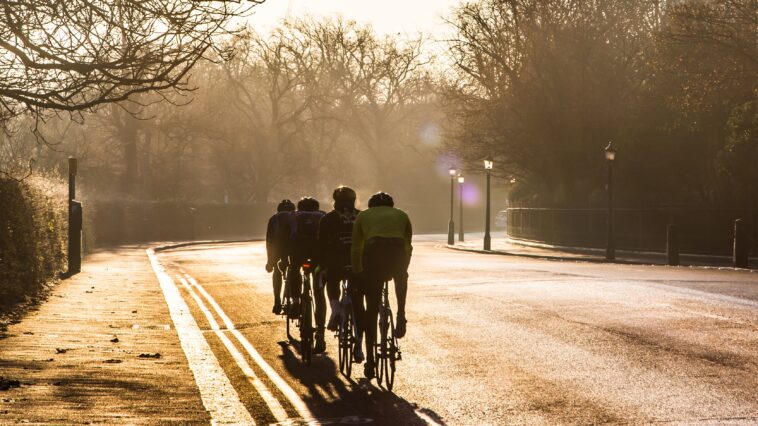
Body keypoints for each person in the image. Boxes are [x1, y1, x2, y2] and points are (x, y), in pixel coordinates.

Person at [351, 192, 412, 379]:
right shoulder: (402, 215)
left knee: (371, 311)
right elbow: (408, 246)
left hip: (374, 253)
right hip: (397, 253)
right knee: (401, 279)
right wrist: (402, 270)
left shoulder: (363, 216)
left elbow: (356, 247)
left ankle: (370, 361)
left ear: (371, 205)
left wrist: (358, 271)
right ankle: (401, 313)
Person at [317, 186, 365, 361]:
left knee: (332, 280)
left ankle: (336, 309)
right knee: (359, 305)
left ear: (335, 201)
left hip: (335, 261)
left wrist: (322, 266)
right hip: (356, 262)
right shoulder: (361, 216)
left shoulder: (328, 218)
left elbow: (321, 244)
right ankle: (359, 347)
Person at [283, 197, 326, 346]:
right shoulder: (323, 215)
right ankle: (320, 332)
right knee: (319, 294)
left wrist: (283, 258)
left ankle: (295, 301)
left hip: (298, 251)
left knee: (294, 269)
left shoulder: (293, 215)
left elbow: (286, 237)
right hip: (317, 253)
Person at [265, 199, 295, 314]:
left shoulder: (274, 219)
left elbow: (269, 241)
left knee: (277, 272)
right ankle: (295, 299)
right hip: (293, 249)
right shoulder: (296, 217)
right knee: (295, 269)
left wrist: (270, 262)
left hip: (278, 248)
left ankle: (277, 301)